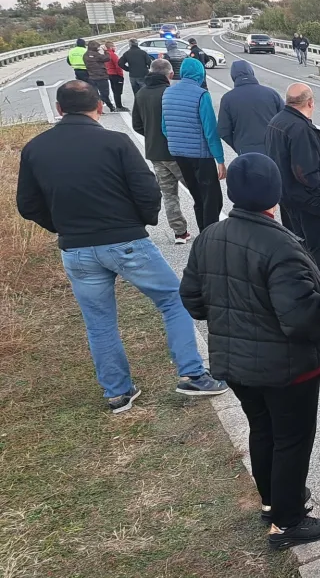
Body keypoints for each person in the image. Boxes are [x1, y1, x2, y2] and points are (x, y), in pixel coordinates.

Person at [16, 81, 228, 413]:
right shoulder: (115, 142)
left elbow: (28, 204)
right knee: (174, 299)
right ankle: (191, 374)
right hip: (125, 240)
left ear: (59, 109)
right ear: (99, 106)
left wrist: (62, 227)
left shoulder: (35, 148)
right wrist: (140, 221)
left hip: (76, 249)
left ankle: (118, 392)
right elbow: (147, 190)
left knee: (98, 320)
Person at [180, 152, 320, 551]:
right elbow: (302, 318)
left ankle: (273, 501)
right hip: (288, 367)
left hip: (234, 363)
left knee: (263, 429)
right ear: (275, 193)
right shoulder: (278, 244)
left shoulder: (209, 237)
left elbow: (193, 301)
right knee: (293, 438)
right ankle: (288, 522)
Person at [265, 83, 320, 291]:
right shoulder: (301, 129)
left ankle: (305, 288)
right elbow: (307, 171)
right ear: (310, 102)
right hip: (312, 204)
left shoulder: (276, 122)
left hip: (290, 199)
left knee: (302, 248)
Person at [161, 57, 227, 229]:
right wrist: (220, 160)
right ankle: (210, 236)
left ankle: (202, 232)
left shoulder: (168, 93)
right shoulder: (201, 94)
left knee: (197, 196)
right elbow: (210, 130)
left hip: (178, 153)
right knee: (212, 199)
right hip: (201, 155)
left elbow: (164, 127)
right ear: (200, 73)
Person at [132, 59, 191, 244]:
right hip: (177, 152)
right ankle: (208, 226)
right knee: (198, 189)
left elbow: (137, 125)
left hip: (155, 153)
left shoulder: (141, 94)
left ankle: (179, 232)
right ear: (170, 74)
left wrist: (151, 134)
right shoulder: (170, 93)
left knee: (169, 194)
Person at [218, 60, 283, 156]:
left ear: (233, 76)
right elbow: (285, 120)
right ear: (251, 72)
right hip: (273, 149)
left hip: (246, 151)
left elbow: (223, 131)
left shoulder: (227, 99)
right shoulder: (271, 94)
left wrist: (238, 146)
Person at [84, 40, 115, 112]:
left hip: (91, 76)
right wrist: (106, 51)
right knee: (105, 93)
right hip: (101, 76)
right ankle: (100, 106)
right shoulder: (96, 55)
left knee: (96, 93)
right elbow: (107, 58)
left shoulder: (85, 55)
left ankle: (108, 106)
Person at [104, 41, 128, 112]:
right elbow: (118, 66)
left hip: (109, 74)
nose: (115, 47)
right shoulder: (112, 55)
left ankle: (118, 105)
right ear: (111, 47)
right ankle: (119, 106)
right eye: (114, 46)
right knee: (118, 91)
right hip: (115, 74)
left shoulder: (106, 54)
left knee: (114, 90)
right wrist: (121, 75)